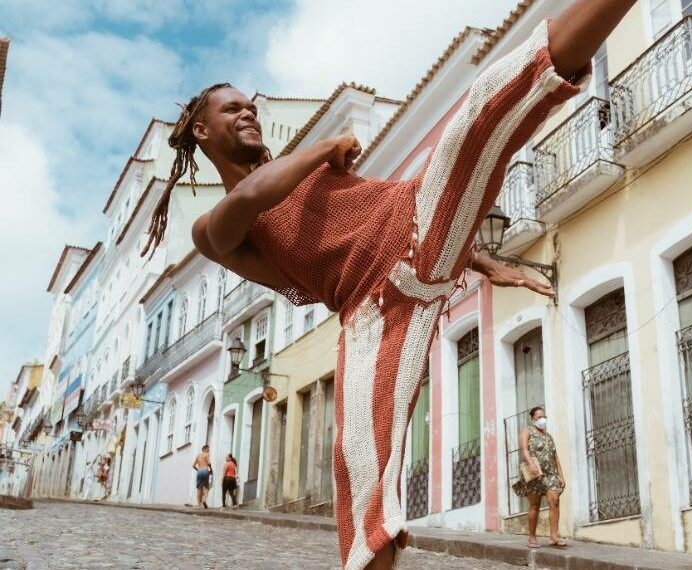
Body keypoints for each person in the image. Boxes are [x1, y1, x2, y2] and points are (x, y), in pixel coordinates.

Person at [144, 2, 636, 567]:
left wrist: (481, 261)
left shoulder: (309, 176)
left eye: (252, 106)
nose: (249, 113)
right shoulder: (214, 228)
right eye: (234, 110)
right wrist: (324, 149)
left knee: (489, 101)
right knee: (361, 469)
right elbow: (251, 198)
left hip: (415, 227)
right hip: (368, 311)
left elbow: (379, 214)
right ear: (202, 130)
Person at [512, 406, 566, 548]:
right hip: (534, 473)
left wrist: (561, 475)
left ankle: (554, 536)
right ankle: (532, 537)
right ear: (532, 419)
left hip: (550, 474)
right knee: (535, 505)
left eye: (544, 417)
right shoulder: (527, 431)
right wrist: (531, 464)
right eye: (538, 417)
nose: (542, 420)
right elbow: (523, 449)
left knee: (554, 500)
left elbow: (555, 456)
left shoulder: (549, 437)